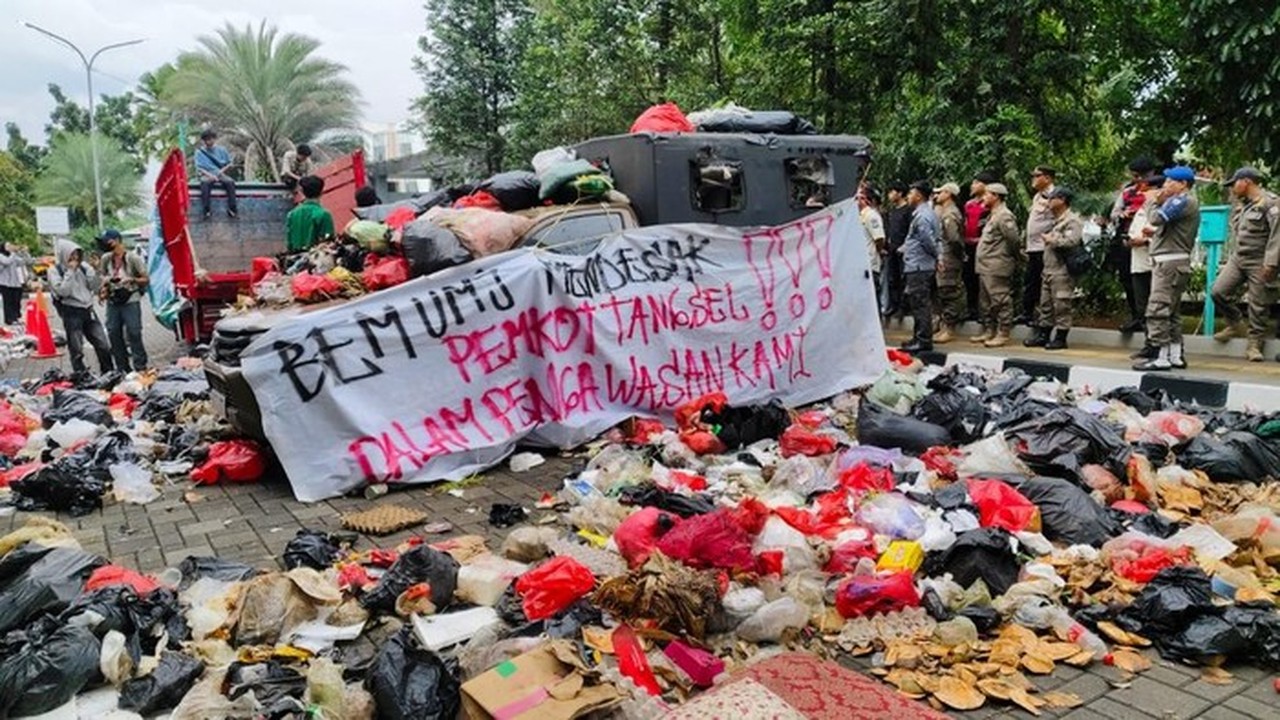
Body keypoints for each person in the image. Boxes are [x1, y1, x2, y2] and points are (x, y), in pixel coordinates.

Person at [1134, 165, 1201, 371]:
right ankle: (1175, 355)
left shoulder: (1182, 200)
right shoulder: (1183, 202)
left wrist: (1152, 200)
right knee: (1171, 311)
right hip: (1173, 261)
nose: (1165, 185)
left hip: (1169, 263)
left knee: (1158, 308)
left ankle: (1161, 356)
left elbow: (1156, 218)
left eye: (1170, 181)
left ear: (1183, 184)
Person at [1210, 166, 1280, 362]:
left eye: (1235, 184)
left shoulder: (1271, 203)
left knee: (1258, 304)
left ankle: (1255, 344)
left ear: (1246, 182)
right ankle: (1235, 323)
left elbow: (1277, 235)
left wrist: (1271, 263)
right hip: (1239, 258)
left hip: (1260, 259)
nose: (1232, 188)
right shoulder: (1244, 205)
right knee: (1218, 291)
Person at [1024, 187, 1083, 350]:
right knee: (1046, 304)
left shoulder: (1072, 221)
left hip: (1062, 270)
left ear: (1062, 200)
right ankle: (1043, 335)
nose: (1048, 202)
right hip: (1049, 269)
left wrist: (1052, 240)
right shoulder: (1056, 220)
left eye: (1052, 198)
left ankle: (1061, 337)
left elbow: (1071, 241)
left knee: (1061, 305)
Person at [47, 239, 113, 377]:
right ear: (64, 254)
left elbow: (95, 287)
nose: (75, 258)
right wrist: (70, 272)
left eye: (77, 254)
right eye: (71, 255)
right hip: (71, 311)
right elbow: (63, 291)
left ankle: (108, 373)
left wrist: (95, 270)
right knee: (76, 349)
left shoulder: (83, 267)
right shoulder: (55, 271)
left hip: (88, 310)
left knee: (103, 344)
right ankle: (81, 375)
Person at [1109, 157, 1156, 332]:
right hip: (1127, 241)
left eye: (1142, 176)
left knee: (1148, 281)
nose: (1138, 180)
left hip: (1148, 244)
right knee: (1128, 279)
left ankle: (1150, 319)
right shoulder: (1127, 192)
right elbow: (1114, 213)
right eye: (1135, 176)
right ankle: (1136, 316)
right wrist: (1122, 214)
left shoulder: (1157, 192)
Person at [972, 183, 1021, 347]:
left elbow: (1013, 240)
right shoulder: (993, 215)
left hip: (997, 264)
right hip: (985, 265)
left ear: (996, 196)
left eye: (987, 194)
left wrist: (1011, 257)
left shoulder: (1004, 216)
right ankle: (989, 330)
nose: (983, 198)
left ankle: (1003, 332)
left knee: (1000, 300)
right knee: (986, 302)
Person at [97, 229, 149, 371]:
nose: (105, 244)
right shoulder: (106, 258)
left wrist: (131, 279)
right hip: (113, 300)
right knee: (113, 332)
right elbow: (102, 275)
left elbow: (146, 279)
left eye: (108, 241)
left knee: (134, 332)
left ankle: (140, 367)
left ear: (117, 240)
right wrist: (104, 287)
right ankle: (122, 367)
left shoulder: (133, 258)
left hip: (131, 299)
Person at [899, 181, 941, 352]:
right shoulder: (925, 213)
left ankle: (923, 340)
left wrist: (937, 256)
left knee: (920, 303)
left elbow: (928, 240)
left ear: (919, 195)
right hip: (919, 264)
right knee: (918, 302)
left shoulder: (922, 216)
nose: (908, 196)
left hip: (919, 265)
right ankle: (918, 337)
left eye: (911, 193)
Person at [1127, 174, 1163, 361]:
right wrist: (1130, 241)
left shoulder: (1165, 211)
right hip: (1138, 265)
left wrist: (1146, 240)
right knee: (1142, 308)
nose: (1144, 193)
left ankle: (1159, 346)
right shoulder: (1142, 210)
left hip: (1155, 266)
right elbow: (1132, 232)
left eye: (1148, 190)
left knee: (1157, 308)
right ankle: (1149, 344)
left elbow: (1164, 235)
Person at [1019, 165, 1056, 325]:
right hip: (1033, 247)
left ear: (1047, 178)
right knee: (1031, 281)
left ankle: (1043, 317)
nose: (1033, 179)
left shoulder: (1055, 196)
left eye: (1037, 175)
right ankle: (1027, 313)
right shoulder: (1037, 196)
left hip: (1044, 247)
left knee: (1042, 283)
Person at [932, 182, 965, 343]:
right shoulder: (942, 211)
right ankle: (944, 326)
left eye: (941, 192)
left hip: (949, 257)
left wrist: (959, 255)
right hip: (942, 256)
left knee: (949, 291)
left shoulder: (951, 213)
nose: (937, 195)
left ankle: (950, 328)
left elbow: (953, 239)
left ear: (949, 194)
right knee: (941, 292)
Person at [963, 172, 996, 321]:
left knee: (983, 279)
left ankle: (986, 312)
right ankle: (972, 309)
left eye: (976, 183)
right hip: (968, 245)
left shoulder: (990, 204)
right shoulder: (969, 204)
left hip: (984, 246)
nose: (973, 186)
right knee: (969, 277)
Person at [882, 181, 912, 317]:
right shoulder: (892, 211)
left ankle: (903, 307)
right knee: (892, 278)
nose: (889, 195)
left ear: (900, 193)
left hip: (904, 250)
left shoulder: (908, 211)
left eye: (892, 192)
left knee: (903, 278)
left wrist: (905, 246)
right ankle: (893, 305)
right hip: (892, 249)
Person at [195, 129, 238, 220]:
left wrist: (220, 173)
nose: (208, 142)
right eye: (206, 140)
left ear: (214, 139)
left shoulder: (222, 150)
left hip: (220, 173)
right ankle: (206, 210)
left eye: (210, 139)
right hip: (207, 174)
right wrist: (210, 176)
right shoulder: (199, 153)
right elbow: (200, 168)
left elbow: (229, 164)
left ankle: (232, 209)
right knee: (205, 184)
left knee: (230, 182)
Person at [286, 175, 336, 253]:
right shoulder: (324, 214)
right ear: (322, 191)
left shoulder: (292, 214)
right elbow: (328, 243)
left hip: (295, 258)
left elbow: (289, 244)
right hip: (316, 258)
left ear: (302, 191)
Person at [858, 186, 887, 305]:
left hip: (869, 264)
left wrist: (878, 251)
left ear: (864, 199)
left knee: (872, 299)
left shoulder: (871, 215)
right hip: (860, 265)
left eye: (858, 197)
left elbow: (879, 238)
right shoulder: (859, 216)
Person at [0, 242, 31, 326]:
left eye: (10, 245)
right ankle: (9, 319)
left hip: (15, 283)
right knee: (8, 302)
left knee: (16, 301)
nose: (10, 247)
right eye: (8, 246)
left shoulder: (13, 256)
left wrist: (25, 253)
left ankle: (16, 317)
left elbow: (24, 262)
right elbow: (7, 262)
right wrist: (14, 252)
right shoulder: (1, 256)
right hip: (5, 283)